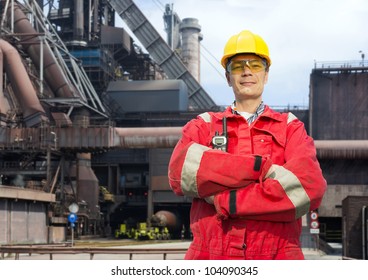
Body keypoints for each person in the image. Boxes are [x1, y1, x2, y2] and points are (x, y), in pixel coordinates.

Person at [168, 30, 327, 260]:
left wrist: (225, 199)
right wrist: (263, 170)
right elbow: (179, 171)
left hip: (277, 257)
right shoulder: (204, 125)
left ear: (266, 74)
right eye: (237, 66)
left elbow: (308, 188)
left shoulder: (290, 127)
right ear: (227, 76)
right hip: (211, 258)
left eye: (255, 64)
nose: (247, 71)